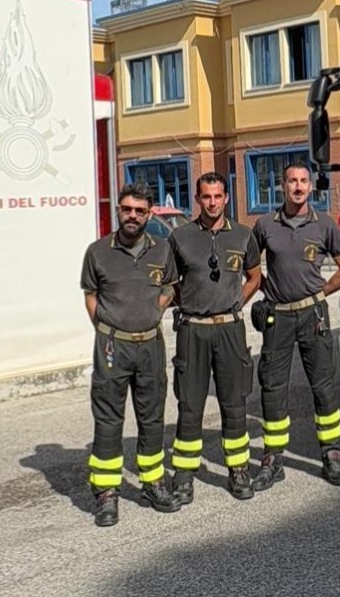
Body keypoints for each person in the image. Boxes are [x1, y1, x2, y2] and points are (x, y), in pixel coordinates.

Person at [251, 162, 340, 489]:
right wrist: (264, 287)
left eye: (303, 181)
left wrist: (321, 292)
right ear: (282, 185)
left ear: (311, 187)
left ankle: (332, 455)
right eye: (292, 181)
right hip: (278, 315)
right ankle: (272, 459)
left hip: (314, 315)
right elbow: (248, 264)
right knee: (273, 388)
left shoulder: (324, 224)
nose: (298, 187)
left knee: (323, 386)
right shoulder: (265, 224)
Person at [79, 183, 181, 527]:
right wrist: (106, 328)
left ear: (149, 214)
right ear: (118, 211)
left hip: (150, 344)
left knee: (152, 416)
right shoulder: (98, 252)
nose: (132, 216)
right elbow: (90, 294)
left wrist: (155, 310)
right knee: (109, 418)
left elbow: (169, 286)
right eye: (127, 209)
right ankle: (106, 492)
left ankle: (153, 481)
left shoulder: (162, 250)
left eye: (139, 210)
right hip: (113, 346)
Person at [167, 172, 262, 504]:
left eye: (218, 196)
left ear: (226, 198)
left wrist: (236, 303)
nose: (212, 202)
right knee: (190, 404)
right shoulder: (180, 237)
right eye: (206, 197)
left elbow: (254, 277)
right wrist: (190, 303)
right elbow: (170, 282)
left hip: (230, 329)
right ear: (197, 199)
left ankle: (238, 469)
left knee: (234, 403)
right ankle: (184, 475)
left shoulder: (243, 235)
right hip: (192, 329)